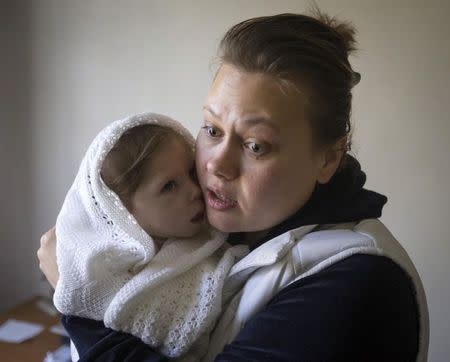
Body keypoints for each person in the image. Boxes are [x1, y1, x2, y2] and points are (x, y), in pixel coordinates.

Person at [38, 11, 429, 362]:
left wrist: (79, 303)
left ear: (328, 158)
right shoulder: (221, 232)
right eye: (211, 129)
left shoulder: (358, 285)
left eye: (255, 145)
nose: (215, 165)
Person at [52, 113, 247, 361]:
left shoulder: (215, 242)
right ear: (123, 210)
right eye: (169, 186)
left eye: (190, 172)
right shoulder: (100, 269)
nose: (194, 190)